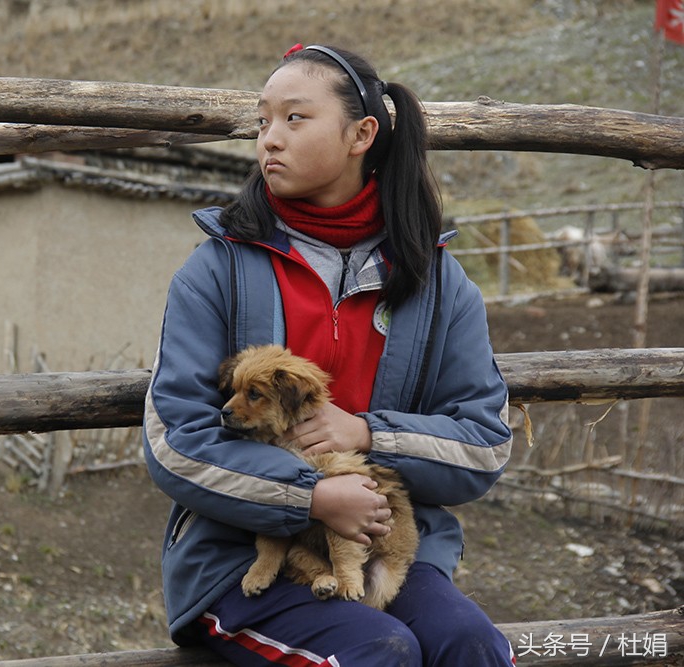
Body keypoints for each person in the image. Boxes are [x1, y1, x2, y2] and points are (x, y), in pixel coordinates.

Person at [143, 43, 515, 666]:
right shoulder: (217, 270)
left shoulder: (438, 281)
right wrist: (309, 497)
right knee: (378, 651)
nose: (270, 139)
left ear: (361, 134)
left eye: (295, 118)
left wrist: (369, 434)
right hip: (241, 562)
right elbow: (173, 440)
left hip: (389, 549)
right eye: (262, 122)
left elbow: (484, 442)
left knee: (473, 646)